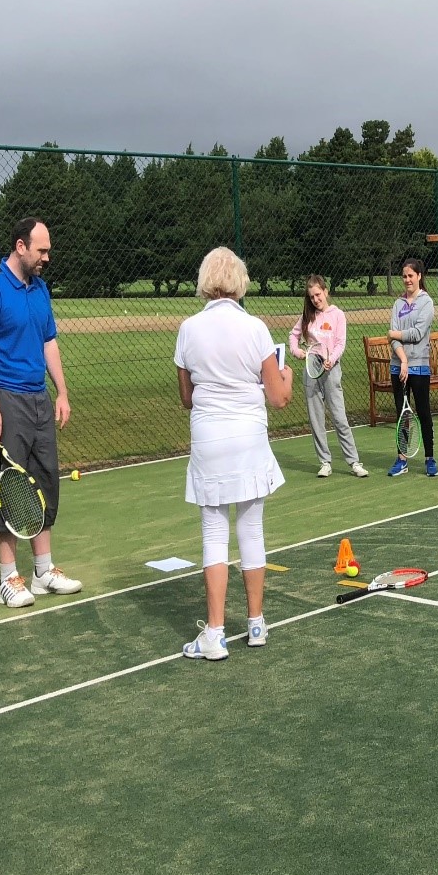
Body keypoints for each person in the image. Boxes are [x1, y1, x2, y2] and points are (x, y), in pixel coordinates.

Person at [174, 247, 292, 660]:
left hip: (209, 439)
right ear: (239, 281)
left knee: (213, 536)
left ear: (206, 281)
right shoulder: (255, 328)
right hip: (247, 437)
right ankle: (256, 623)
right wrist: (287, 377)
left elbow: (186, 397)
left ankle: (216, 632)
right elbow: (279, 398)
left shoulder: (188, 328)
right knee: (251, 531)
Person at [0, 216, 82, 608]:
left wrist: (62, 392)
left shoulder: (41, 290)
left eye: (48, 250)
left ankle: (43, 571)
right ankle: (7, 578)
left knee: (44, 481)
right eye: (41, 250)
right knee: (7, 487)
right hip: (3, 397)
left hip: (37, 399)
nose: (47, 257)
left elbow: (49, 342)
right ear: (20, 246)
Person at [290, 275, 367, 479]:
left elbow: (340, 343)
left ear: (325, 291)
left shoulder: (337, 315)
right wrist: (296, 350)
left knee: (339, 417)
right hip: (311, 366)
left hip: (331, 368)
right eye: (312, 296)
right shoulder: (308, 316)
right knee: (316, 418)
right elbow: (293, 335)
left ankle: (354, 462)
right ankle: (325, 462)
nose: (316, 299)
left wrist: (331, 359)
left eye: (318, 294)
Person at [385, 256, 438, 478]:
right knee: (402, 416)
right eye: (404, 276)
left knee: (424, 413)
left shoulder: (426, 302)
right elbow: (394, 340)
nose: (407, 280)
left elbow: (417, 334)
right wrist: (402, 359)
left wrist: (395, 334)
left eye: (411, 276)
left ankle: (430, 458)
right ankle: (402, 459)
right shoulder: (398, 304)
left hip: (419, 367)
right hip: (399, 368)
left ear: (419, 276)